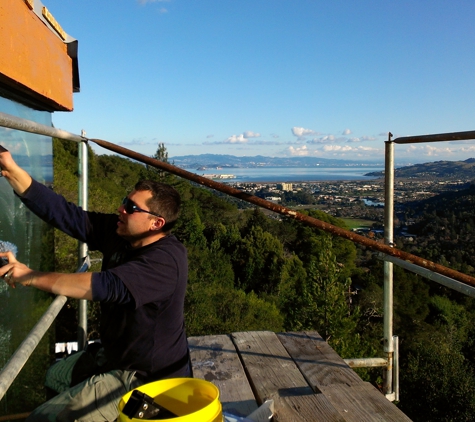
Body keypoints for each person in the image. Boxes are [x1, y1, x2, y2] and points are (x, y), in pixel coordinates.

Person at [0, 148, 190, 421]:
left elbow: (105, 286)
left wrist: (29, 276)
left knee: (43, 418)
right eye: (126, 201)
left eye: (131, 208)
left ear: (155, 223)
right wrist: (11, 170)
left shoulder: (166, 261)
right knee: (56, 376)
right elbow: (66, 214)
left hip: (144, 380)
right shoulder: (121, 233)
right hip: (113, 356)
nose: (121, 209)